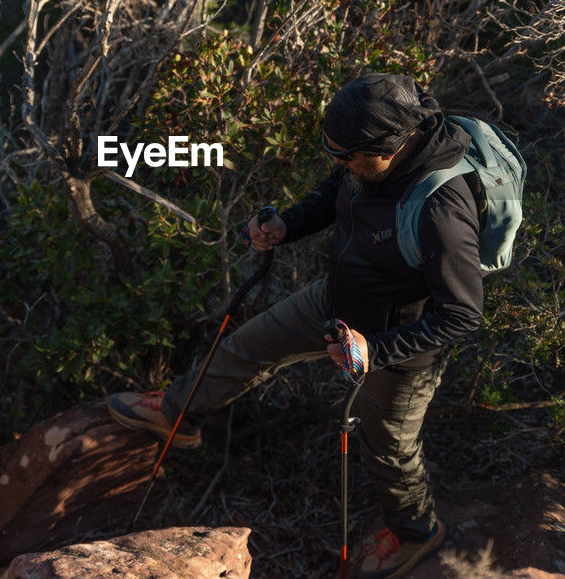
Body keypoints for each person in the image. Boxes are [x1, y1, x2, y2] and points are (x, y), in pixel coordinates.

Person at [107, 73, 484, 579]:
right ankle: (178, 413)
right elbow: (336, 190)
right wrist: (287, 224)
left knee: (387, 448)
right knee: (247, 346)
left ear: (391, 146)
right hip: (334, 304)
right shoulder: (366, 160)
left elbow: (462, 313)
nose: (339, 163)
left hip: (397, 348)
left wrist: (376, 349)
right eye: (335, 152)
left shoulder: (442, 207)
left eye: (348, 156)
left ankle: (415, 531)